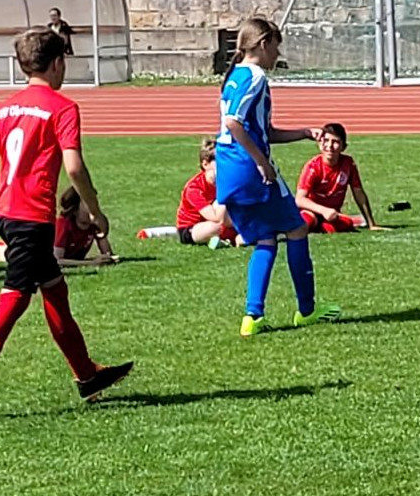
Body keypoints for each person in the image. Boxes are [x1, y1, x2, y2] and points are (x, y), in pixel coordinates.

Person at [0, 28, 133, 422]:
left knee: (55, 290)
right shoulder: (62, 108)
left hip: (7, 212)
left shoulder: (7, 108)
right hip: (31, 217)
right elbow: (74, 166)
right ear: (57, 63)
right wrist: (95, 210)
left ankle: (87, 375)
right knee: (15, 297)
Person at [215, 17, 341, 337]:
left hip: (228, 169)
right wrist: (261, 163)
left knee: (266, 238)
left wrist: (303, 133)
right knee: (297, 228)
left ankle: (252, 317)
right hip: (248, 168)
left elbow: (262, 131)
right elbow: (233, 123)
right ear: (263, 44)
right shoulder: (255, 77)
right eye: (275, 46)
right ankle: (307, 310)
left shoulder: (234, 76)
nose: (277, 54)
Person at [136, 139, 239, 248]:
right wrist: (225, 188)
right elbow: (215, 217)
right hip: (192, 227)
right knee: (214, 228)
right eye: (220, 161)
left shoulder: (227, 181)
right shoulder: (194, 188)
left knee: (241, 229)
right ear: (205, 164)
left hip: (220, 221)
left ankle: (224, 240)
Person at [295, 123, 383, 233]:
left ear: (344, 147)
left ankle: (338, 222)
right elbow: (299, 199)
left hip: (332, 215)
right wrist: (323, 210)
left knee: (346, 224)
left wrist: (371, 224)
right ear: (319, 143)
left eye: (335, 142)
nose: (329, 146)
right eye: (326, 141)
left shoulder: (348, 164)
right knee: (307, 221)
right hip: (311, 211)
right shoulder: (313, 167)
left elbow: (358, 193)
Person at [54, 186, 119, 266]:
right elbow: (56, 260)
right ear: (74, 209)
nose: (93, 208)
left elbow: (107, 253)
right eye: (88, 205)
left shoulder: (94, 223)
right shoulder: (63, 225)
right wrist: (91, 263)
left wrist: (107, 257)